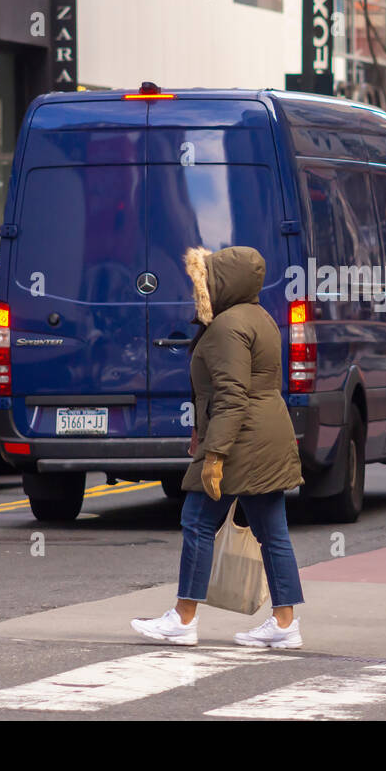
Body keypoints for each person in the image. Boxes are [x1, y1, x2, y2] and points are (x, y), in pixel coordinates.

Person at [131, 246, 306, 649]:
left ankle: (183, 618)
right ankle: (284, 624)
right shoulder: (257, 317)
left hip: (241, 441)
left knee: (197, 522)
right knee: (271, 532)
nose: (200, 288)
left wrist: (214, 455)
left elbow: (231, 395)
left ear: (224, 283)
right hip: (262, 437)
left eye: (205, 281)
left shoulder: (228, 326)